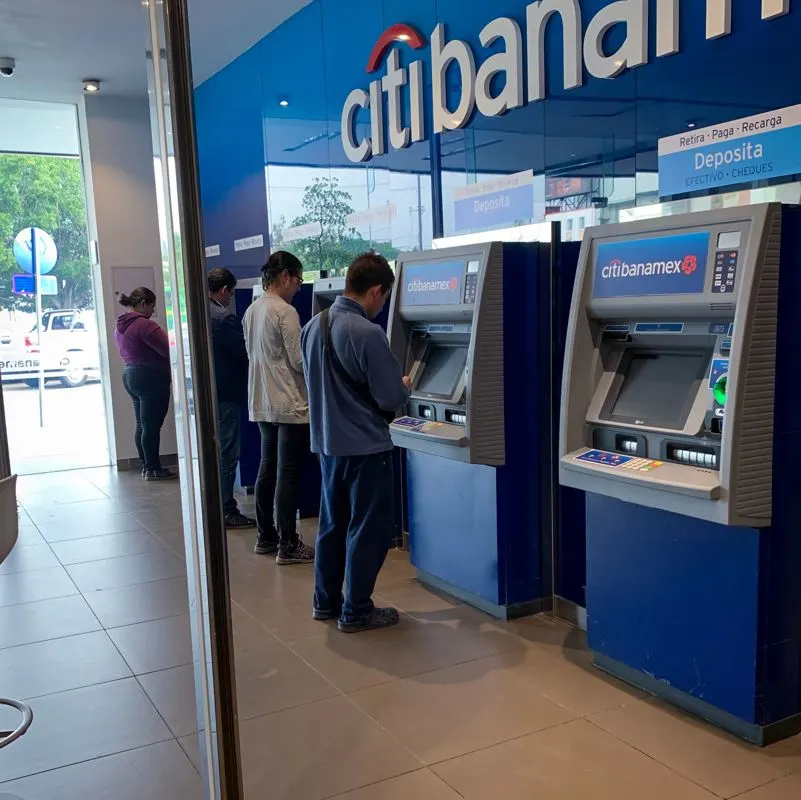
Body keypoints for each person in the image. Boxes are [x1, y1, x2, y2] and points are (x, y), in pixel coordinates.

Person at [301, 252, 410, 633]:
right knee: (368, 529)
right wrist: (404, 387)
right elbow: (389, 398)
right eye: (383, 298)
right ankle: (357, 610)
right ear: (376, 290)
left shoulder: (313, 326)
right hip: (366, 448)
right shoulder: (368, 333)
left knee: (332, 525)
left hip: (328, 445)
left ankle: (324, 602)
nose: (382, 307)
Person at [242, 251, 314, 565]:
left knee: (266, 469)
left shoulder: (251, 310)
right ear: (284, 276)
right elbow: (299, 361)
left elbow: (251, 353)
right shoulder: (285, 312)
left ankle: (266, 537)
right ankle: (289, 544)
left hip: (261, 401)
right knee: (288, 474)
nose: (299, 286)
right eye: (298, 280)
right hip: (288, 403)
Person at [208, 268, 255, 529]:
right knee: (228, 453)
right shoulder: (224, 318)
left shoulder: (202, 312)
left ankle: (219, 505)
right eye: (231, 293)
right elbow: (244, 352)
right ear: (224, 290)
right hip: (226, 394)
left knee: (219, 450)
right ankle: (227, 509)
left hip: (213, 391)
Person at [114, 287, 176, 481]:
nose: (152, 312)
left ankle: (146, 465)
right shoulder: (145, 326)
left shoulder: (120, 324)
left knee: (142, 424)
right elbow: (168, 350)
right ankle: (153, 469)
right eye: (152, 307)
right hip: (151, 377)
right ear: (143, 304)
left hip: (130, 375)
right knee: (152, 425)